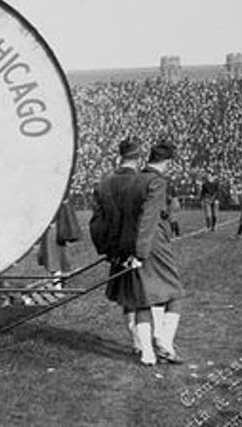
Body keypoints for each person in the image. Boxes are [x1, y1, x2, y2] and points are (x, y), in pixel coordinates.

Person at [90, 138, 146, 361]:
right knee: (144, 298)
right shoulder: (145, 183)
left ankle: (136, 341)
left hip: (117, 254)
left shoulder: (104, 185)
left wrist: (109, 251)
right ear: (139, 159)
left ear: (119, 158)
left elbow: (96, 224)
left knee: (127, 300)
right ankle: (146, 344)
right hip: (140, 251)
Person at [134, 142, 185, 365]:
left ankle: (148, 352)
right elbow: (150, 218)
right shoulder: (158, 182)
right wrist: (141, 251)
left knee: (143, 297)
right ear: (167, 162)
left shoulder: (137, 178)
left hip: (137, 241)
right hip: (153, 244)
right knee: (175, 293)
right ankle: (164, 341)